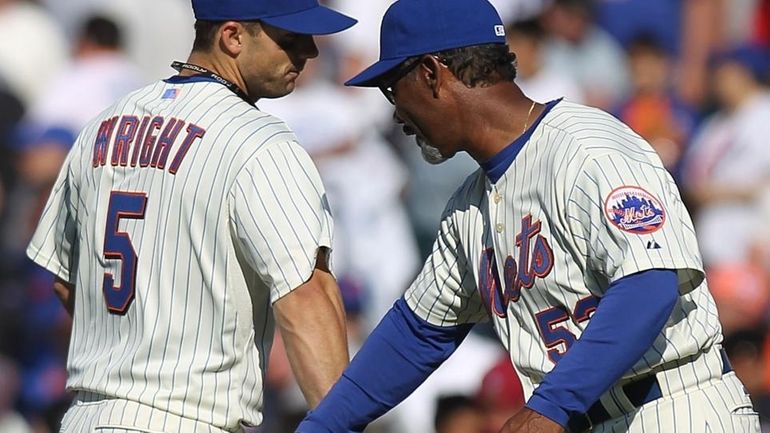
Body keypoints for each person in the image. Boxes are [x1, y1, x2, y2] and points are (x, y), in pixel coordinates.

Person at [295, 1, 760, 432]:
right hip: (579, 414)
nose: (396, 113)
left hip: (674, 408)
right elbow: (418, 332)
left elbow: (649, 284)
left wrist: (551, 405)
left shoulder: (587, 148)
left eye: (395, 88)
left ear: (432, 74)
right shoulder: (469, 207)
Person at [25, 1, 357, 432]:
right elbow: (306, 296)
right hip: (192, 418)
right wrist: (343, 424)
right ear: (232, 37)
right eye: (290, 39)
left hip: (89, 415)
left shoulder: (103, 125)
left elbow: (65, 281)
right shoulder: (259, 142)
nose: (309, 52)